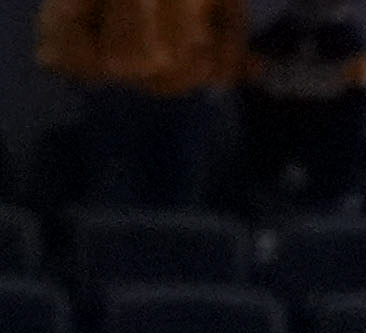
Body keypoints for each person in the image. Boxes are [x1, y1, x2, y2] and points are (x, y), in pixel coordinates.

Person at [33, 0, 228, 211]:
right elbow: (64, 23)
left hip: (188, 97)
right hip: (119, 97)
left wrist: (217, 77)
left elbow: (226, 20)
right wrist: (95, 76)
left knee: (184, 207)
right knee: (117, 203)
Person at [235, 2, 366, 211]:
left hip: (331, 175)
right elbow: (251, 112)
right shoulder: (266, 42)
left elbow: (355, 117)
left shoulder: (355, 46)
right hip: (267, 170)